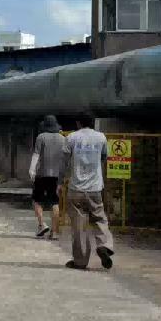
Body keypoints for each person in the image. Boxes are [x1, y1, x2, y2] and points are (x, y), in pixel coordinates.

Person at [63, 111, 114, 271]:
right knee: (100, 218)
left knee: (79, 226)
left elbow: (64, 162)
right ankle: (104, 245)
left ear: (78, 123)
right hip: (95, 188)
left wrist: (60, 181)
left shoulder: (71, 138)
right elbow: (104, 157)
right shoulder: (101, 137)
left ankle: (80, 261)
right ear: (93, 122)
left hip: (76, 188)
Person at [30, 115, 66, 239]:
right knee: (54, 202)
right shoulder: (63, 139)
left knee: (37, 200)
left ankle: (42, 224)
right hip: (56, 175)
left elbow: (36, 155)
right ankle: (54, 231)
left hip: (41, 174)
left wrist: (32, 171)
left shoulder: (41, 137)